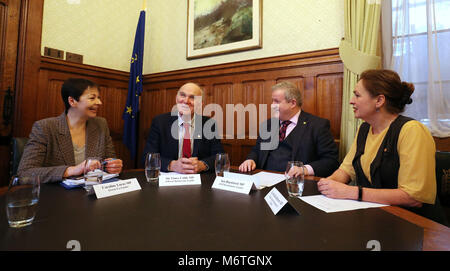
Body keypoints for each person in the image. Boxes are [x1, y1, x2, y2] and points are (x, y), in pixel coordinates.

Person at [318, 69, 441, 220]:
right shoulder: (364, 129)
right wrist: (327, 184)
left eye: (357, 95)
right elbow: (345, 171)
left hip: (415, 224)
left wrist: (352, 192)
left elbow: (413, 197)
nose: (351, 101)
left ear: (379, 101)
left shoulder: (412, 130)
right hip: (377, 218)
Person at [17, 78, 123, 183]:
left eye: (98, 98)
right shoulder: (45, 127)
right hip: (57, 195)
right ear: (72, 101)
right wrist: (72, 170)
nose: (99, 102)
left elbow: (108, 162)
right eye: (92, 98)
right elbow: (25, 173)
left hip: (92, 191)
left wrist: (113, 166)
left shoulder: (101, 124)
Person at [239, 81, 339, 177]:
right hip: (264, 180)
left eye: (276, 101)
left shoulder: (317, 125)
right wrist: (251, 159)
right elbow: (257, 150)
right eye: (272, 100)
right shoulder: (268, 124)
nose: (272, 105)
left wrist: (304, 169)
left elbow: (331, 161)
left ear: (293, 103)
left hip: (294, 184)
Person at [142, 82, 224, 174]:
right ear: (176, 99)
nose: (186, 101)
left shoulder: (209, 124)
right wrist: (172, 165)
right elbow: (147, 157)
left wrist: (202, 164)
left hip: (199, 181)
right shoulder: (160, 122)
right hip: (169, 181)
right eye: (182, 95)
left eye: (192, 97)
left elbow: (219, 157)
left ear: (200, 104)